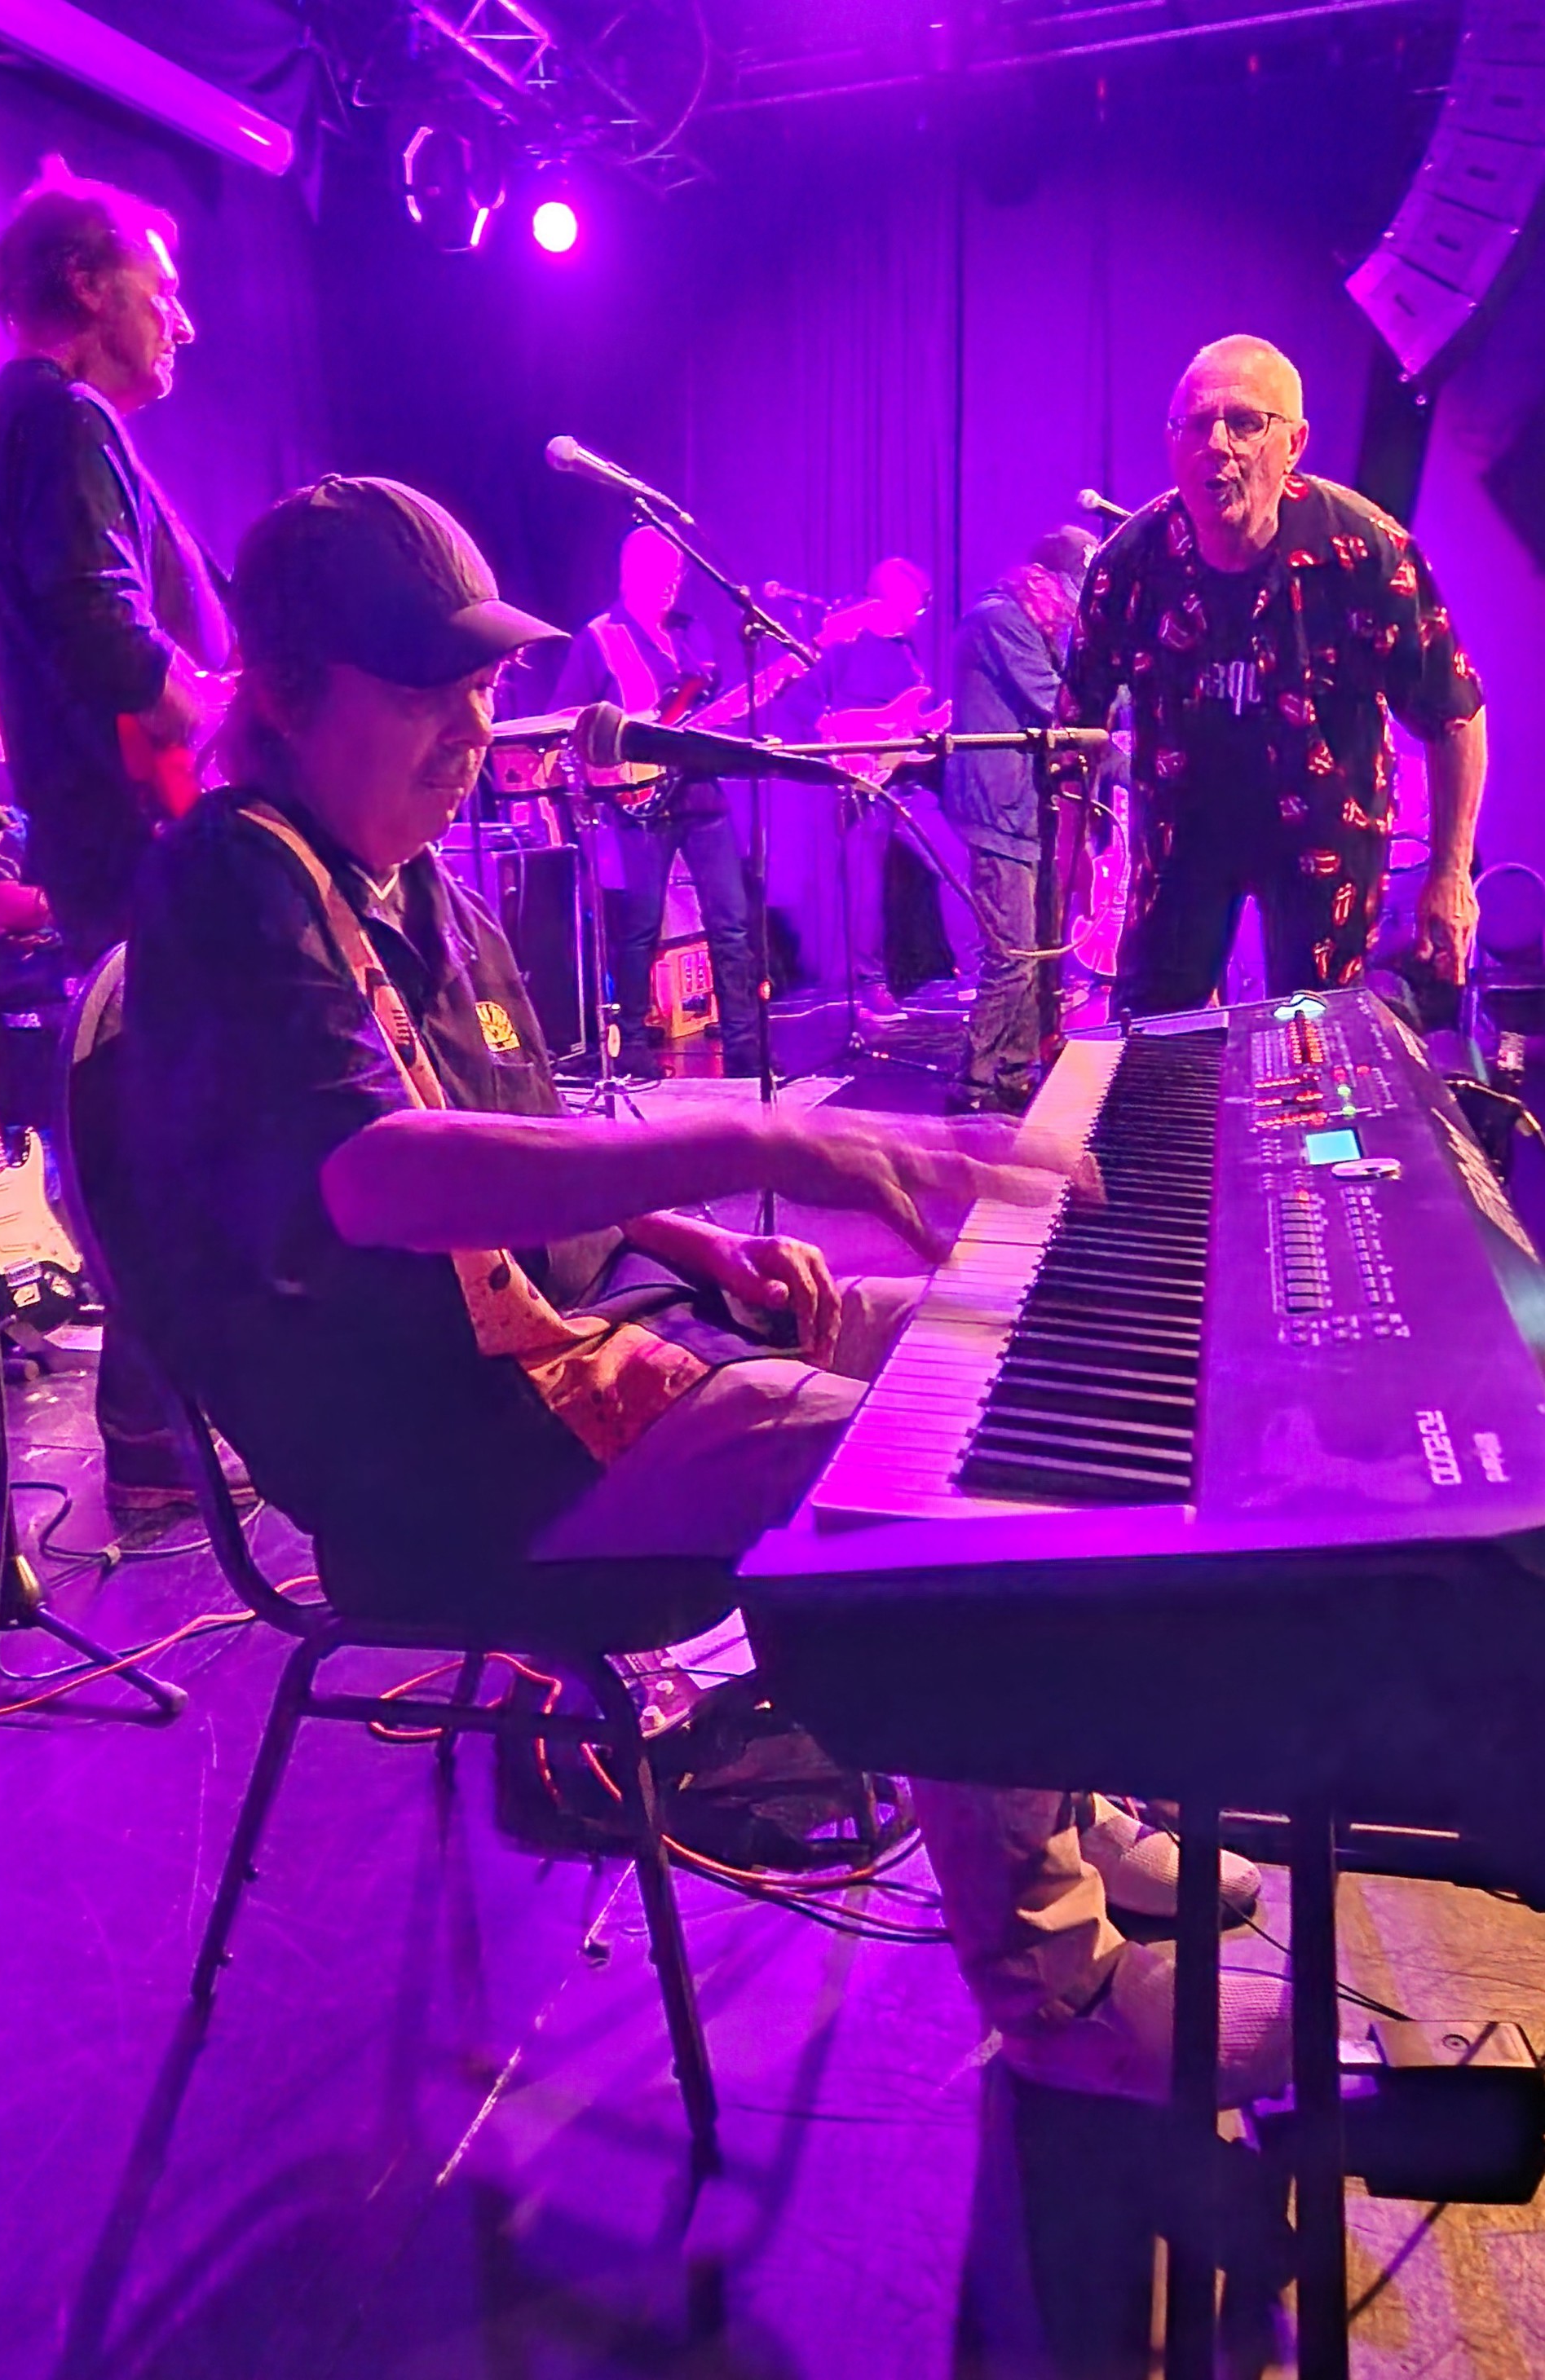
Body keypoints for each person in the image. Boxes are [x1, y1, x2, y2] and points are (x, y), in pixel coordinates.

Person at [116, 474, 1286, 2108]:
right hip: (454, 1455)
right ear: (295, 692)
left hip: (593, 1352)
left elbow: (530, 1138)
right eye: (429, 687)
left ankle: (1066, 1801)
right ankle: (1057, 1991)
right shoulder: (234, 885)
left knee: (1011, 1356)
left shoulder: (414, 879)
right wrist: (761, 1141)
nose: (476, 727)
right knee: (947, 1483)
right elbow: (376, 1178)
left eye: (486, 684)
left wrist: (704, 1243)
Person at [0, 161, 236, 1511]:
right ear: (86, 284)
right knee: (188, 1138)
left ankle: (159, 1435)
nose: (182, 319)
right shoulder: (61, 413)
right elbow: (107, 631)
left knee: (172, 1134)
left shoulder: (30, 419)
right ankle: (154, 1435)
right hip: (148, 842)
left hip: (116, 840)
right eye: (162, 289)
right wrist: (235, 717)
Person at [1058, 333, 1485, 1011]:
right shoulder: (1129, 564)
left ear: (1295, 444)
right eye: (1195, 424)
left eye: (1245, 423)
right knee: (1153, 1025)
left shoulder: (1365, 551)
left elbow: (1455, 711)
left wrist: (1450, 872)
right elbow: (1075, 722)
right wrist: (1071, 848)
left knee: (1317, 1029)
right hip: (1183, 828)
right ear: (1171, 443)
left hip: (1325, 826)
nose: (1216, 444)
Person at [554, 526, 759, 1076]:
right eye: (660, 573)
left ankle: (743, 1045)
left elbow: (707, 710)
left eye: (677, 574)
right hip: (639, 799)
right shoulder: (600, 637)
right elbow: (568, 716)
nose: (671, 584)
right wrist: (625, 740)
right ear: (630, 574)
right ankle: (632, 1043)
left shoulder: (693, 634)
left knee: (732, 922)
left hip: (701, 793)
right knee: (641, 925)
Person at [942, 526, 1096, 1113]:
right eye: (1074, 592)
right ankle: (972, 1083)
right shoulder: (999, 620)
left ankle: (1013, 1072)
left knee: (1036, 955)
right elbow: (1057, 702)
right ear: (1045, 580)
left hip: (1026, 811)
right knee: (1012, 958)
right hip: (996, 808)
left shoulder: (1035, 626)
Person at [802, 554, 955, 1023]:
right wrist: (849, 746)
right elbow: (808, 706)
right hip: (862, 783)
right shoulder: (844, 644)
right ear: (888, 602)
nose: (919, 616)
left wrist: (929, 728)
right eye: (914, 607)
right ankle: (870, 985)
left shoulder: (906, 651)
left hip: (905, 782)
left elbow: (907, 720)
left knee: (954, 861)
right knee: (865, 889)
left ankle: (974, 970)